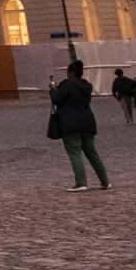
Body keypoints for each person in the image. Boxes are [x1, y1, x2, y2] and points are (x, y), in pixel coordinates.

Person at [49, 58, 109, 189]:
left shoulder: (67, 84)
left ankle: (81, 183)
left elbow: (57, 99)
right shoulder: (86, 85)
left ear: (71, 72)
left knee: (75, 153)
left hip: (70, 123)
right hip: (87, 122)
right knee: (92, 153)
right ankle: (105, 181)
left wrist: (53, 89)